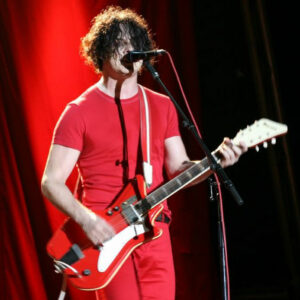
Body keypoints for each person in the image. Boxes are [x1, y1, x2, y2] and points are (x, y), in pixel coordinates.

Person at [41, 6, 247, 300]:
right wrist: (88, 221)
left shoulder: (161, 106)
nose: (129, 49)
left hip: (155, 237)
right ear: (101, 50)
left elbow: (178, 169)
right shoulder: (78, 113)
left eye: (135, 43)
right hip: (108, 239)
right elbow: (51, 181)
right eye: (120, 42)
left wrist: (213, 162)